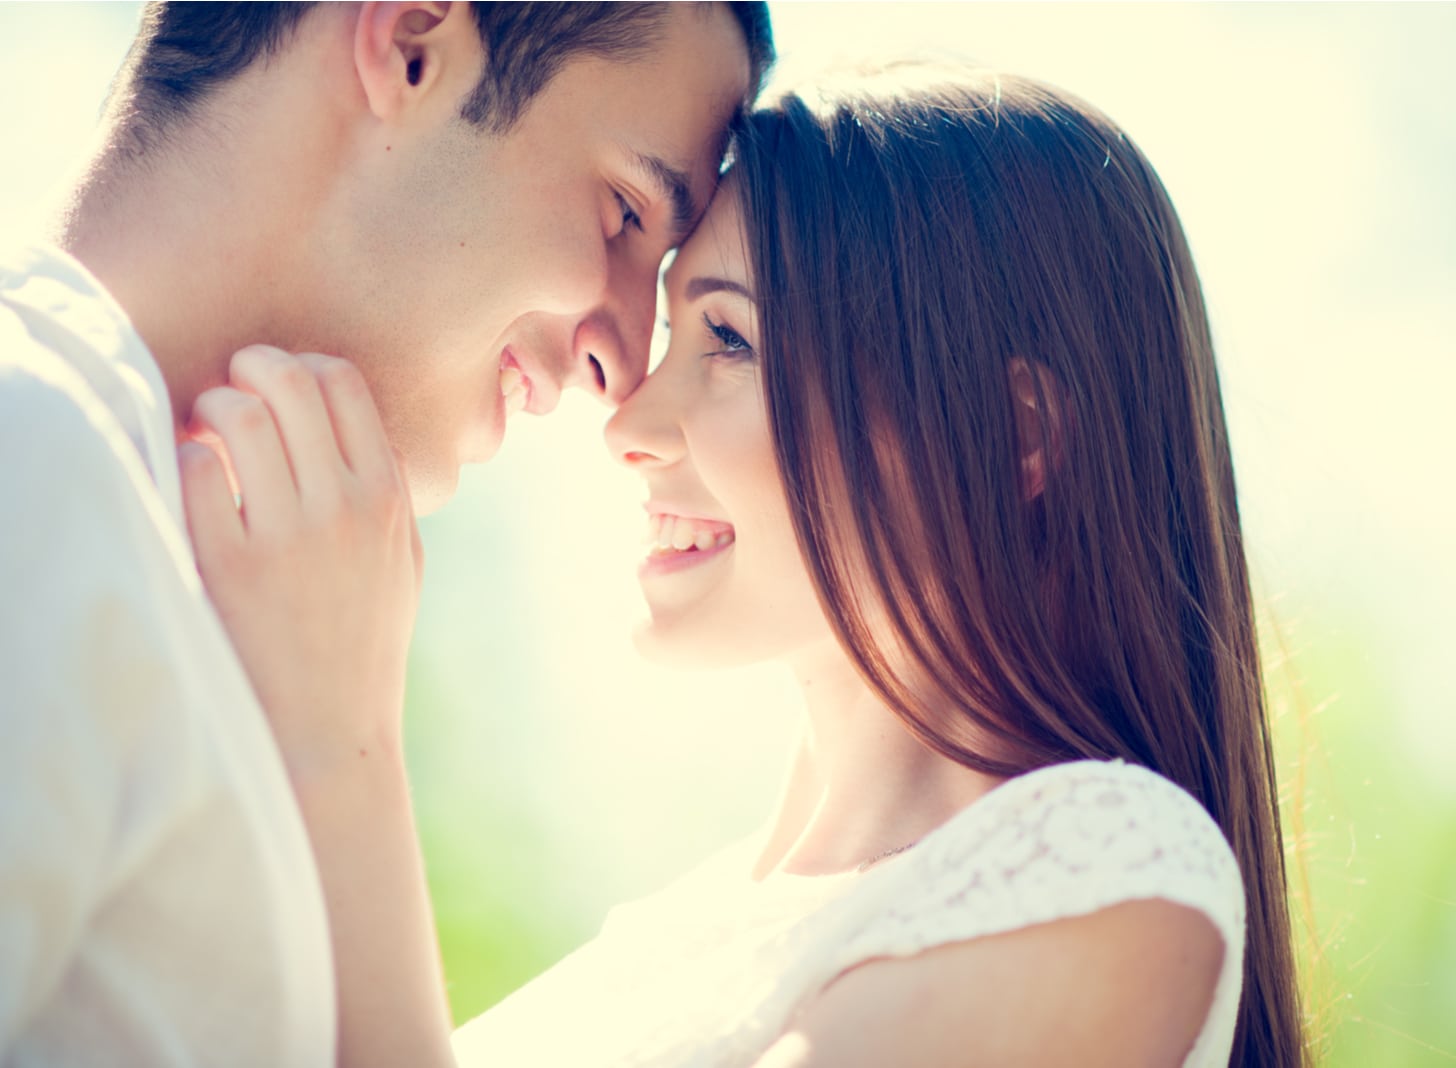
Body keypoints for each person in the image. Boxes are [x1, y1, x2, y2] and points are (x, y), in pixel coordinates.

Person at [185, 63, 1306, 1066]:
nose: (628, 421)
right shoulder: (672, 927)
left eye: (728, 341)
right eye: (672, 338)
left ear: (1012, 432)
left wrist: (338, 749)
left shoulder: (1107, 875)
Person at [0, 3, 773, 1065]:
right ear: (411, 47)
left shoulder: (156, 538)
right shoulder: (29, 448)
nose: (624, 363)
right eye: (620, 211)